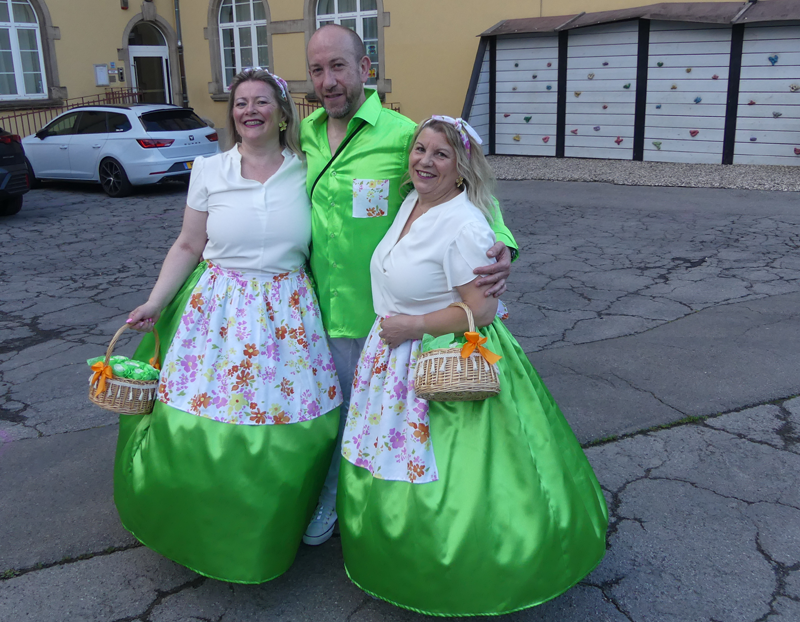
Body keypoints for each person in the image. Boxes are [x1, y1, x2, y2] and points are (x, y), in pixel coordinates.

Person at [336, 116, 609, 616]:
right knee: (390, 461)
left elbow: (482, 310)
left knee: (457, 478)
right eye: (420, 149)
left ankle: (469, 574)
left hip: (443, 357)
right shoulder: (412, 203)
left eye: (441, 154)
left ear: (462, 167)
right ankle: (397, 560)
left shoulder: (463, 224)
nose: (425, 161)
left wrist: (413, 326)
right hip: (396, 354)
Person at [113, 69, 342, 584]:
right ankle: (198, 526)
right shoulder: (210, 170)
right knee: (200, 422)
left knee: (294, 425)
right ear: (232, 113)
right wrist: (155, 301)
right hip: (219, 315)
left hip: (288, 315)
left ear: (282, 113)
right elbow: (188, 244)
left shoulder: (307, 170)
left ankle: (278, 522)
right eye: (241, 103)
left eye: (262, 101)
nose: (250, 111)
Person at [300, 24, 518, 545]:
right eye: (317, 70)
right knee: (338, 416)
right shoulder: (303, 134)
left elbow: (469, 191)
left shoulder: (403, 136)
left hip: (380, 316)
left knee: (378, 420)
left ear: (365, 68)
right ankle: (355, 503)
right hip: (315, 307)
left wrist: (503, 245)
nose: (328, 81)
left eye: (338, 67)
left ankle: (344, 505)